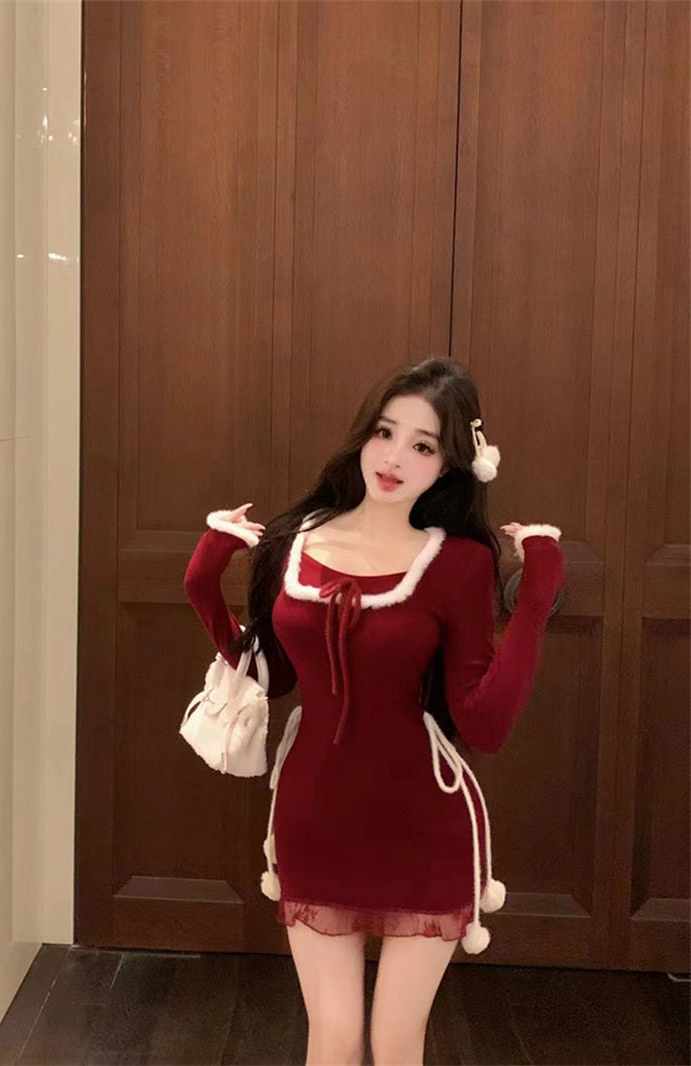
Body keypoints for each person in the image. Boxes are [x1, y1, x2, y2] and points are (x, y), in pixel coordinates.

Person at [182, 357, 566, 1066]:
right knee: (331, 1037)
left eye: (423, 445)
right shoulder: (295, 542)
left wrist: (537, 595)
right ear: (363, 433)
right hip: (314, 818)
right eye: (385, 432)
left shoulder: (459, 564)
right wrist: (203, 578)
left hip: (424, 822)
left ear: (451, 464)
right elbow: (269, 675)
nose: (394, 458)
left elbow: (483, 723)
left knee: (394, 1042)